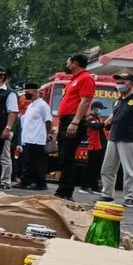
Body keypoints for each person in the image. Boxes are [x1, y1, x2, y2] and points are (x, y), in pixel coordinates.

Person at [97, 71, 133, 207]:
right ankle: (107, 195)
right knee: (107, 168)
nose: (119, 85)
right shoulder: (118, 100)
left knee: (129, 170)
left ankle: (130, 198)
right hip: (113, 137)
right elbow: (113, 116)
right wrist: (106, 123)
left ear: (131, 84)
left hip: (129, 138)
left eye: (123, 82)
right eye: (118, 82)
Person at [51, 53, 96, 199]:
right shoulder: (74, 79)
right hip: (66, 121)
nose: (67, 65)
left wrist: (75, 121)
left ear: (75, 63)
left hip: (73, 121)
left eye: (68, 62)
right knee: (64, 156)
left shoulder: (86, 78)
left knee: (68, 156)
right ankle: (63, 189)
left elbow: (85, 101)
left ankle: (65, 191)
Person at [16, 84, 53, 190]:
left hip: (38, 139)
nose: (27, 94)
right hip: (28, 138)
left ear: (36, 92)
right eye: (26, 91)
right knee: (28, 163)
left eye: (29, 92)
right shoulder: (31, 105)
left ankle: (41, 184)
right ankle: (26, 181)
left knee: (38, 163)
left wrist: (48, 134)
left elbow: (48, 121)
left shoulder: (42, 105)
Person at [80, 103, 108, 194]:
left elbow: (103, 127)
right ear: (95, 108)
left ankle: (94, 187)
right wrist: (109, 119)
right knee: (90, 167)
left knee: (96, 168)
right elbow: (97, 126)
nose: (100, 111)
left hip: (101, 146)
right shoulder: (90, 118)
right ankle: (84, 186)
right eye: (100, 109)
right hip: (94, 146)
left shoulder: (98, 118)